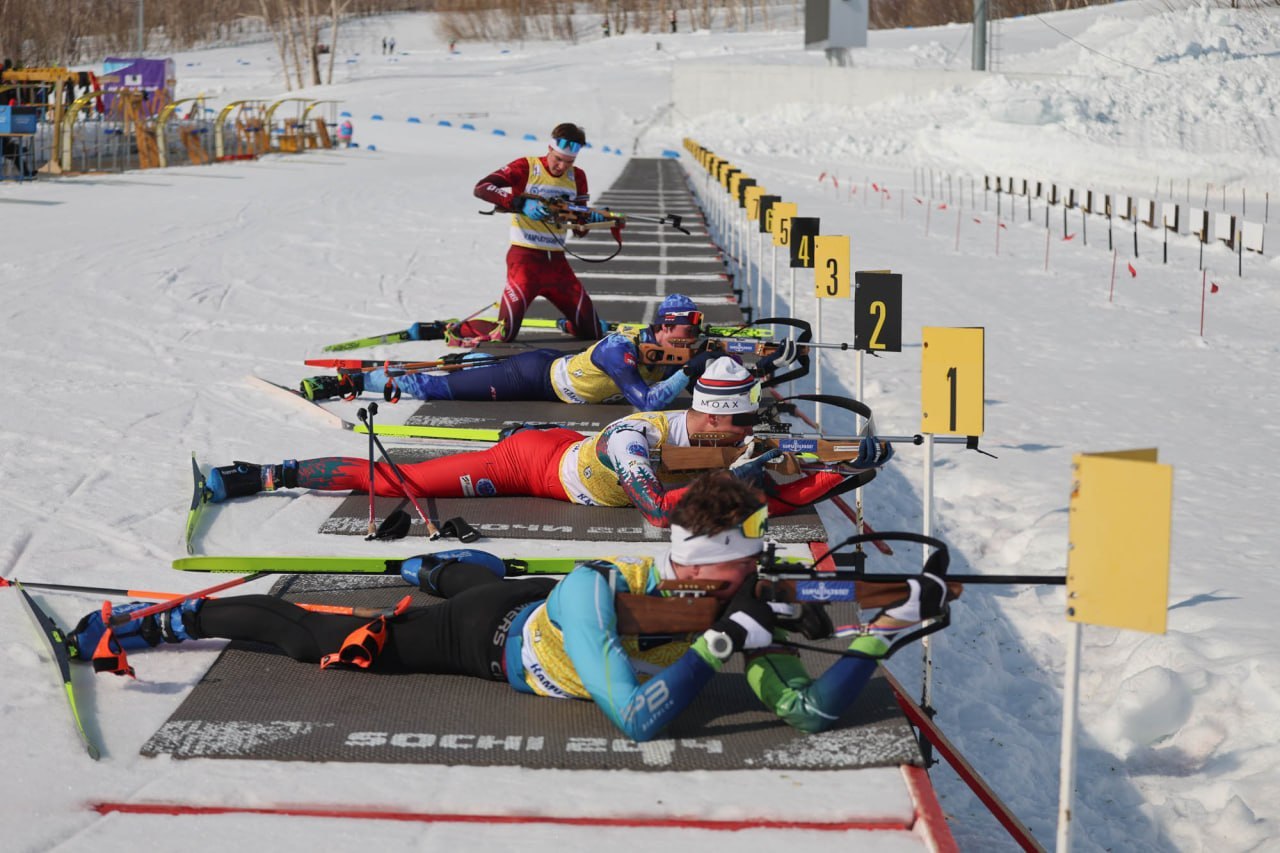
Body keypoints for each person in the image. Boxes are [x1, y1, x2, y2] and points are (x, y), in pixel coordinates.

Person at [65, 473, 951, 742]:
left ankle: (443, 560)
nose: (763, 579)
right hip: (487, 636)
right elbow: (640, 717)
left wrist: (881, 630)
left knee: (470, 569)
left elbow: (808, 709)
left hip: (535, 597)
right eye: (750, 568)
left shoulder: (729, 608)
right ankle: (155, 621)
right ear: (710, 572)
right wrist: (719, 645)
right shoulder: (599, 592)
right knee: (305, 632)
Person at [208, 357, 892, 527]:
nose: (751, 432)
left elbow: (772, 485)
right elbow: (659, 510)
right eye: (745, 423)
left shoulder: (711, 430)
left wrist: (847, 467)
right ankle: (270, 472)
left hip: (570, 443)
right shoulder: (635, 441)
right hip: (529, 464)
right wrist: (749, 477)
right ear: (716, 417)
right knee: (401, 483)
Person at [300, 294, 716, 411]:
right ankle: (359, 380)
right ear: (664, 326)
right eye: (687, 330)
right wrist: (691, 372)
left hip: (550, 376)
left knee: (473, 372)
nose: (691, 339)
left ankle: (472, 361)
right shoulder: (620, 350)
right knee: (441, 391)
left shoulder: (660, 350)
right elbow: (646, 404)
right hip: (533, 378)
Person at [469, 122, 608, 344]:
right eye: (558, 159)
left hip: (557, 265)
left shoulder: (577, 177)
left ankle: (568, 323)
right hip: (524, 261)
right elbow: (482, 187)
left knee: (593, 333)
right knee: (504, 335)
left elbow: (580, 229)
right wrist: (518, 203)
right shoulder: (527, 166)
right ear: (550, 149)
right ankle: (459, 329)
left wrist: (591, 221)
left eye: (569, 162)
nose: (562, 167)